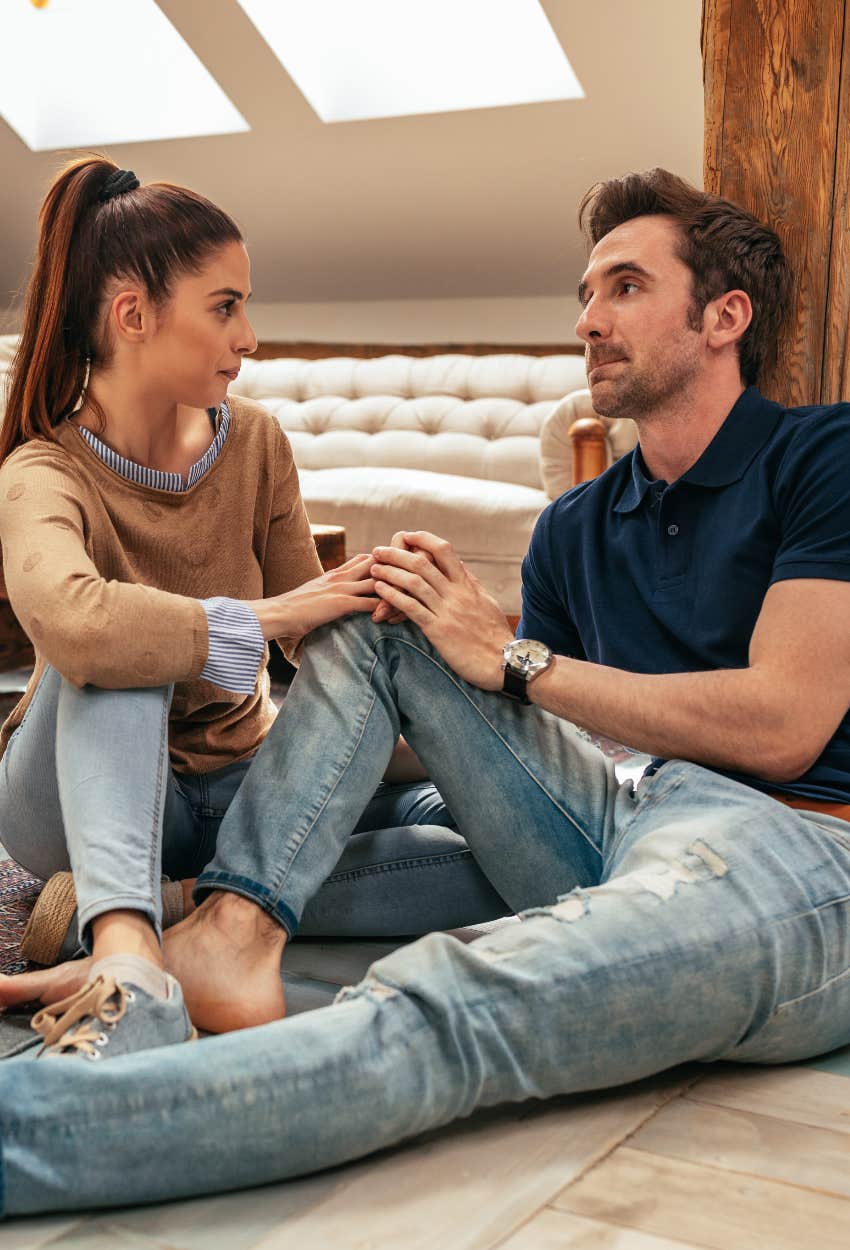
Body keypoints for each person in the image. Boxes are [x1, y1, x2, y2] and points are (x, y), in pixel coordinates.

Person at [2, 165, 850, 1219]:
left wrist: (509, 660)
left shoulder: (825, 453)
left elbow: (783, 723)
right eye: (585, 292)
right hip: (613, 809)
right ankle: (229, 923)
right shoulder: (576, 527)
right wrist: (400, 677)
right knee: (385, 611)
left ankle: (43, 1109)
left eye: (624, 287)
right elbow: (516, 721)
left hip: (792, 837)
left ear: (724, 315)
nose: (587, 318)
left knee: (448, 1005)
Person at [0, 156, 509, 1054]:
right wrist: (269, 618)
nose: (251, 337)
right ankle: (122, 948)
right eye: (225, 306)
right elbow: (81, 627)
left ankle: (187, 914)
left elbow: (321, 651)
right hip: (75, 796)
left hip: (238, 787)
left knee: (488, 846)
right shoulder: (42, 469)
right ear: (133, 315)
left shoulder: (258, 444)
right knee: (126, 640)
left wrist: (430, 708)